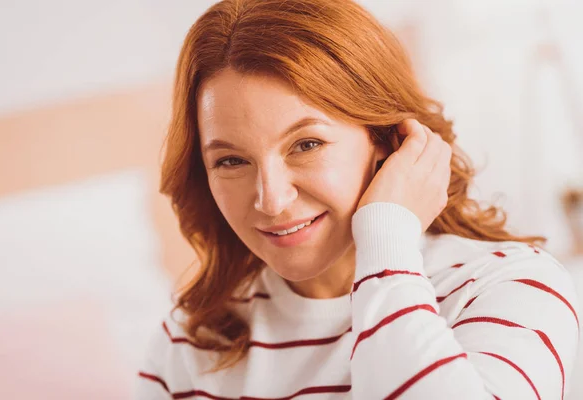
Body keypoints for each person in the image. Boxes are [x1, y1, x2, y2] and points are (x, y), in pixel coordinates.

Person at [135, 0, 580, 398]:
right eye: (231, 161)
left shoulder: (510, 288)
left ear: (389, 139)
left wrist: (386, 239)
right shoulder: (187, 344)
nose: (270, 200)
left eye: (306, 145)